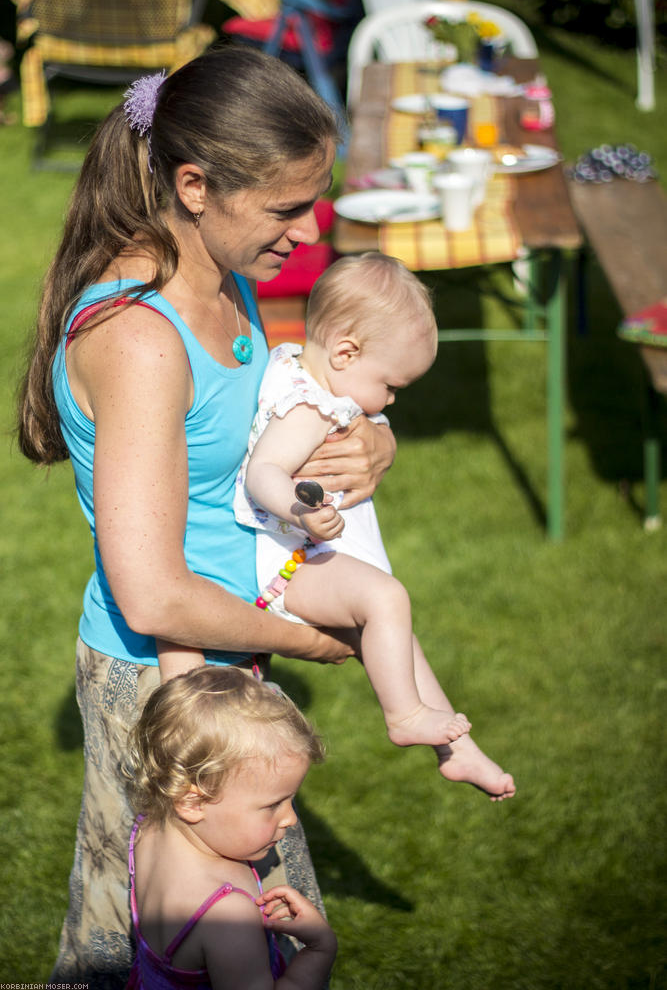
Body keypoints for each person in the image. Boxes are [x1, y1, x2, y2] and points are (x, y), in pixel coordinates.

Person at [16, 45, 395, 987]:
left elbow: (261, 432)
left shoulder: (223, 281)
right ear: (193, 185)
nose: (308, 235)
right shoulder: (140, 336)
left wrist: (366, 442)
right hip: (159, 680)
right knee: (160, 946)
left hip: (223, 653)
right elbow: (151, 593)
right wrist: (309, 643)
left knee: (245, 932)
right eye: (284, 208)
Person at [169, 253, 516, 799]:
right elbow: (264, 474)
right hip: (291, 562)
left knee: (396, 636)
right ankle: (403, 718)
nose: (392, 401)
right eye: (390, 384)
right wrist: (301, 510)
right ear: (346, 351)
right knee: (388, 602)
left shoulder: (308, 376)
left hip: (306, 555)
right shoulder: (307, 407)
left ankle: (458, 750)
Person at [125, 665, 337, 990]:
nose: (291, 819)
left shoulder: (150, 825)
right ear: (193, 803)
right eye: (272, 805)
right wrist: (320, 950)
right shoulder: (229, 917)